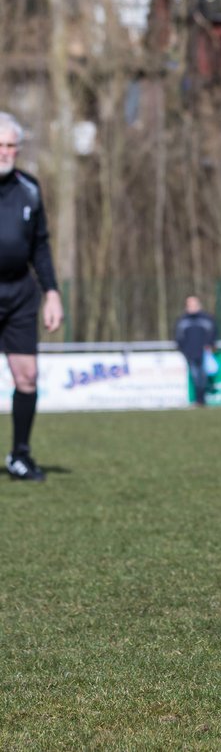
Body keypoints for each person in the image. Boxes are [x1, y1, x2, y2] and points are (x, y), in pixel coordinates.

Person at [0, 111, 64, 481]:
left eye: (11, 146)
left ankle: (20, 455)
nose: (5, 152)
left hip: (21, 293)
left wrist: (51, 292)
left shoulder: (30, 189)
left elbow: (40, 246)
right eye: (0, 146)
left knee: (27, 376)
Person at [174, 295, 218, 405]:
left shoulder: (207, 319)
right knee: (195, 376)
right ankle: (198, 399)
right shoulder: (182, 320)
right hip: (189, 353)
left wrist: (210, 345)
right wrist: (183, 349)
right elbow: (178, 337)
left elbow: (213, 333)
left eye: (194, 304)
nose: (192, 307)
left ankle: (202, 400)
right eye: (189, 305)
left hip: (204, 353)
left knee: (203, 376)